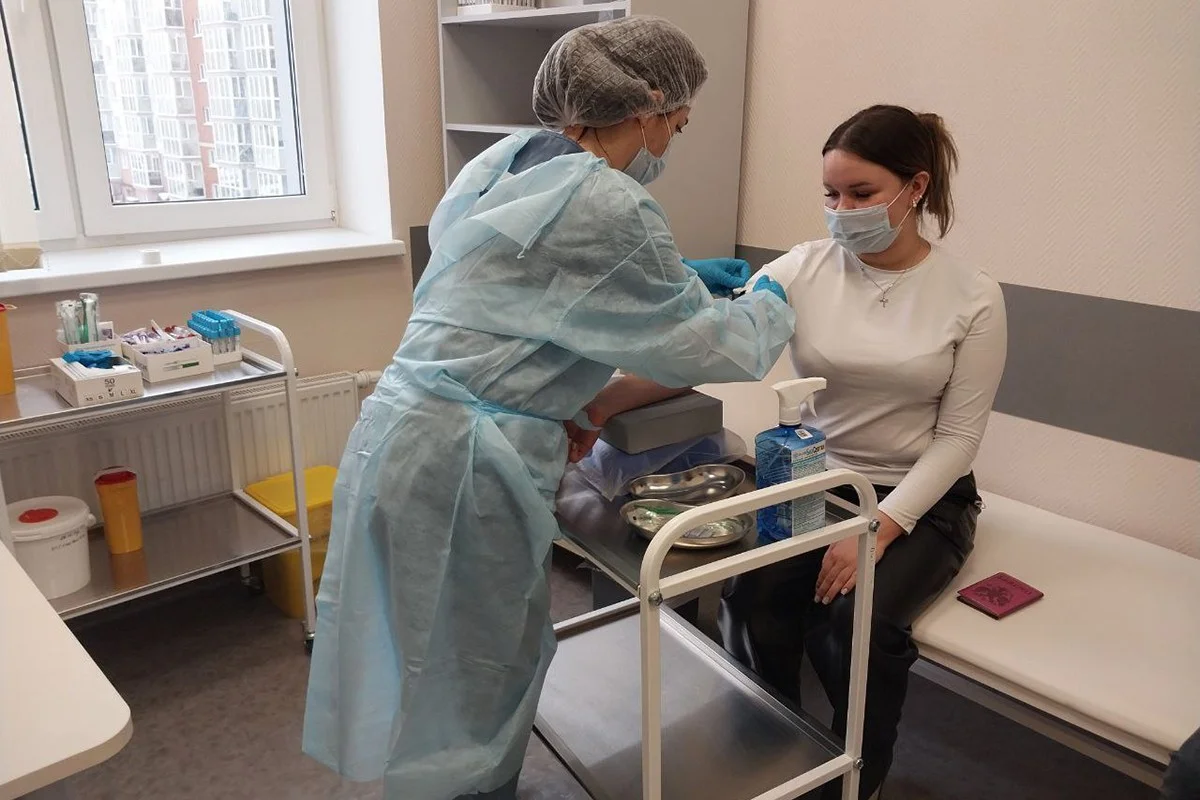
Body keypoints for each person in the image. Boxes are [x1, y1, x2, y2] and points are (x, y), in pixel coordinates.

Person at [301, 16, 794, 800]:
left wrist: (673, 281)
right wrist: (772, 301)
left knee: (421, 640)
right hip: (465, 462)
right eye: (677, 123)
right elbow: (710, 348)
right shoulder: (609, 202)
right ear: (648, 105)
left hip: (401, 428)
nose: (675, 139)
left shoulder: (505, 161)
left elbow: (523, 294)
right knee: (479, 662)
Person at [718, 105, 1008, 798]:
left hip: (918, 500)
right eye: (831, 194)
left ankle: (856, 778)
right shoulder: (802, 268)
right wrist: (610, 394)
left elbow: (958, 440)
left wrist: (878, 528)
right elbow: (718, 338)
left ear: (916, 187)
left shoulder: (973, 297)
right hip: (816, 482)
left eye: (861, 194)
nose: (841, 211)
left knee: (856, 624)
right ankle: (778, 755)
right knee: (752, 598)